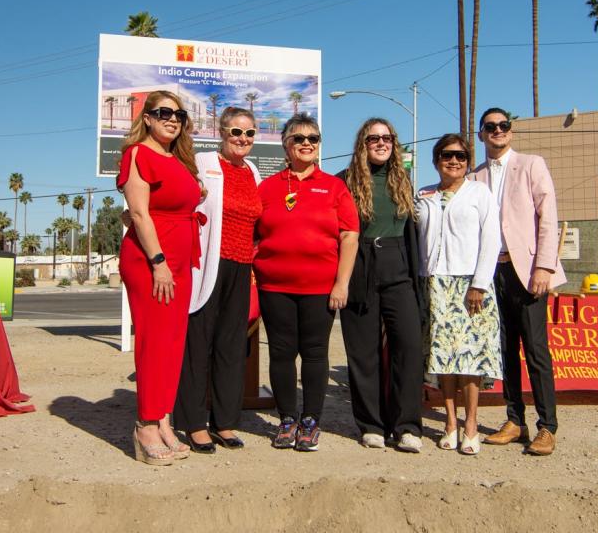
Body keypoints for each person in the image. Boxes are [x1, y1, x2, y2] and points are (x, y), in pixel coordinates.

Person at [254, 113, 360, 452]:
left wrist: (341, 283)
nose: (306, 143)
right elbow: (250, 232)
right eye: (298, 138)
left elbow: (350, 236)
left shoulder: (334, 186)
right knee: (282, 354)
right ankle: (287, 419)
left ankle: (311, 421)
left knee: (315, 354)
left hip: (320, 289)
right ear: (286, 144)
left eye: (312, 138)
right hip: (274, 287)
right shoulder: (268, 188)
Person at [471, 107, 566, 456]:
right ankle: (515, 420)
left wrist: (544, 267)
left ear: (510, 131)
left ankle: (547, 426)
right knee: (505, 349)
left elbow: (548, 216)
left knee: (536, 350)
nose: (498, 130)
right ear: (481, 134)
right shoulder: (474, 176)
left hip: (527, 272)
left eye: (503, 125)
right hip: (491, 273)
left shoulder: (530, 165)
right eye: (490, 126)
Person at [118, 90, 203, 466]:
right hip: (154, 263)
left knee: (173, 344)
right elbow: (138, 213)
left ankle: (164, 421)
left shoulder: (180, 160)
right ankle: (145, 427)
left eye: (179, 114)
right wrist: (158, 262)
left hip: (180, 262)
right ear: (147, 118)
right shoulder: (138, 154)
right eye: (163, 112)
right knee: (154, 342)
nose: (172, 119)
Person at [173, 107, 262, 454]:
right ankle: (194, 424)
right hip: (206, 264)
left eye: (249, 133)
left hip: (241, 268)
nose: (242, 139)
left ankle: (224, 422)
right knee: (198, 345)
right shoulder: (201, 162)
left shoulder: (252, 170)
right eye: (236, 132)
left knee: (231, 347)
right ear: (222, 132)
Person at [337, 118, 425, 453]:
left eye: (386, 137)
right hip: (359, 265)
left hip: (398, 267)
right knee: (363, 351)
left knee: (408, 346)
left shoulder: (402, 180)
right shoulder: (343, 182)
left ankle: (406, 426)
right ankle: (371, 425)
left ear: (394, 143)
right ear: (362, 143)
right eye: (373, 137)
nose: (380, 142)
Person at [416, 134, 502, 455]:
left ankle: (471, 424)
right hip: (435, 284)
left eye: (461, 156)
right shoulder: (424, 196)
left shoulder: (480, 193)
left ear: (468, 161)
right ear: (436, 159)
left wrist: (479, 283)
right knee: (444, 358)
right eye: (446, 155)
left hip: (470, 286)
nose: (454, 161)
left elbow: (491, 240)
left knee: (470, 358)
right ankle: (450, 422)